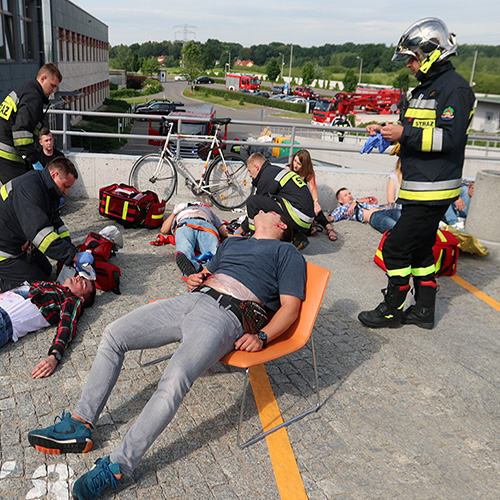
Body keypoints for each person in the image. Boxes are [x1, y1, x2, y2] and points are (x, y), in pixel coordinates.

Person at [28, 210, 306, 500]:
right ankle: (80, 423)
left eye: (268, 209)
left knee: (174, 379)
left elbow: (290, 307)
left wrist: (262, 336)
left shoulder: (286, 253)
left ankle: (120, 465)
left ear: (281, 224)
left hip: (227, 316)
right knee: (113, 334)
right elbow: (205, 273)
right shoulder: (234, 243)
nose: (259, 211)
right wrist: (196, 278)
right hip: (192, 299)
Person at [358, 18, 475, 330]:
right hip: (418, 184)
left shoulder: (456, 89)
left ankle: (390, 309)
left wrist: (404, 134)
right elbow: (415, 129)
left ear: (431, 53)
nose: (409, 65)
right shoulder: (426, 89)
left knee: (395, 247)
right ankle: (424, 311)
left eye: (413, 57)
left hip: (433, 188)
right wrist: (387, 132)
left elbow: (448, 138)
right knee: (421, 249)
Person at [0, 157, 94, 292]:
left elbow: (56, 222)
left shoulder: (46, 188)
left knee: (47, 269)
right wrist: (74, 256)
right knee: (41, 287)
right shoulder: (30, 190)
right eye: (65, 186)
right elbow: (41, 235)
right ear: (54, 175)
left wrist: (70, 251)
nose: (66, 192)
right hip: (4, 251)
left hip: (15, 240)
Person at [0, 275, 96, 378]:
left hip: (4, 319)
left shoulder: (70, 299)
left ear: (81, 299)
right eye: (80, 277)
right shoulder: (54, 285)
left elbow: (67, 326)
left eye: (82, 283)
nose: (78, 278)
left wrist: (54, 356)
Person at [0, 63, 62, 184]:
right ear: (43, 78)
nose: (54, 90)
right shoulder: (33, 97)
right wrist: (33, 159)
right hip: (8, 155)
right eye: (52, 86)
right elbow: (21, 132)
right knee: (18, 193)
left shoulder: (27, 89)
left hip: (3, 150)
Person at [238, 152, 315, 250]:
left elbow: (255, 206)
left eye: (249, 171)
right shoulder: (273, 171)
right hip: (304, 217)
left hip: (298, 215)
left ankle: (255, 239)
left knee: (253, 202)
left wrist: (239, 231)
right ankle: (297, 237)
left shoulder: (266, 177)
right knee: (270, 204)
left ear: (256, 167)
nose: (249, 175)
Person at [158, 202, 228, 276]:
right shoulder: (180, 210)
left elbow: (222, 228)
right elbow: (164, 230)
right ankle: (191, 267)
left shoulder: (207, 210)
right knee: (184, 248)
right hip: (185, 223)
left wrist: (237, 236)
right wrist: (174, 212)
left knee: (213, 251)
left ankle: (210, 269)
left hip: (206, 225)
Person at [288, 149, 338, 241]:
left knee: (315, 208)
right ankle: (310, 227)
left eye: (299, 164)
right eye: (295, 161)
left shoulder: (308, 173)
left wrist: (316, 202)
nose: (295, 165)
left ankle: (329, 228)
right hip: (289, 200)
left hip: (301, 200)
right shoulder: (288, 170)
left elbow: (313, 188)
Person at [328, 187, 401, 234]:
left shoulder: (357, 201)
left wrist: (356, 202)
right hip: (376, 216)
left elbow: (372, 200)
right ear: (340, 200)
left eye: (349, 193)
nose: (349, 196)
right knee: (397, 229)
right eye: (345, 195)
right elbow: (331, 217)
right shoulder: (343, 208)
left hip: (386, 211)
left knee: (408, 220)